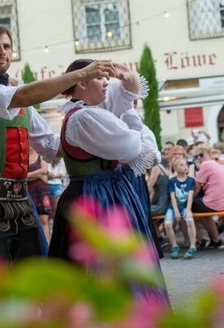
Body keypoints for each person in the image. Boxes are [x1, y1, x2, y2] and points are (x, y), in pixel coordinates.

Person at [0, 24, 115, 266]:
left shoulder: (22, 98)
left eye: (6, 46)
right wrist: (80, 75)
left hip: (22, 199)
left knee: (36, 276)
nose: (2, 51)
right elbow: (21, 96)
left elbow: (53, 146)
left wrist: (94, 131)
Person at [48, 58, 167, 302]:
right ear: (81, 82)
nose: (105, 83)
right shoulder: (84, 118)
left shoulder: (91, 114)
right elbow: (135, 149)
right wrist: (132, 117)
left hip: (105, 192)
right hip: (98, 197)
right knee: (105, 266)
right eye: (100, 78)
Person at [192, 143, 224, 248]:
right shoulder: (213, 163)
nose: (198, 158)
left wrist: (191, 198)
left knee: (190, 207)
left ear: (206, 154)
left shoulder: (206, 164)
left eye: (200, 155)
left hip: (215, 203)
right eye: (196, 156)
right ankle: (215, 234)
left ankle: (212, 239)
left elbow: (197, 185)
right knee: (199, 207)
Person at [165, 158, 197, 259]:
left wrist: (188, 209)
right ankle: (174, 246)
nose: (185, 167)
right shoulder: (172, 181)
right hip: (173, 207)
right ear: (175, 168)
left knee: (189, 220)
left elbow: (190, 196)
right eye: (181, 165)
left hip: (185, 206)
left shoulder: (191, 180)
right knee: (168, 224)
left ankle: (192, 246)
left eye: (186, 165)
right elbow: (172, 197)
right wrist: (176, 211)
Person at [27, 147, 52, 241]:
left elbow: (44, 171)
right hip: (29, 190)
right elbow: (22, 175)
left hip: (41, 190)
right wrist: (38, 174)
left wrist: (28, 175)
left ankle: (47, 248)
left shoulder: (40, 154)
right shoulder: (24, 156)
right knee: (32, 220)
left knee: (44, 219)